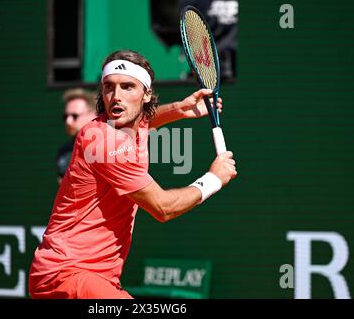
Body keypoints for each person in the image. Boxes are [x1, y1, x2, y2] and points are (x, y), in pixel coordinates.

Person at [29, 49, 237, 299]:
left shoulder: (124, 125)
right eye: (109, 87)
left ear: (146, 94)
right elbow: (162, 208)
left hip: (91, 276)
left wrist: (181, 109)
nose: (116, 97)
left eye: (128, 87)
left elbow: (144, 121)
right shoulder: (105, 142)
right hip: (66, 276)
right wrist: (213, 179)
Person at [56, 88, 97, 184]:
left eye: (75, 116)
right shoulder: (64, 151)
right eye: (65, 116)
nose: (68, 121)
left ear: (93, 115)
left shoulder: (108, 150)